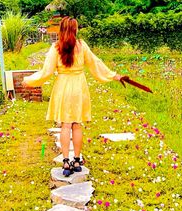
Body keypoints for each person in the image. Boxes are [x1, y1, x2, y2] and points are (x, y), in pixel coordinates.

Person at [23, 17, 121, 176]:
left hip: (63, 87)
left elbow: (46, 72)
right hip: (79, 87)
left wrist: (30, 81)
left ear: (61, 30)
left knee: (65, 125)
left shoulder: (55, 47)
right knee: (76, 124)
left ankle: (66, 162)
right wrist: (113, 75)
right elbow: (96, 64)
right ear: (75, 30)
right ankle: (76, 160)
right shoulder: (82, 46)